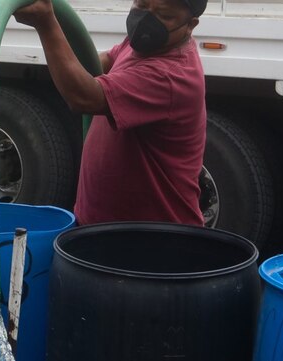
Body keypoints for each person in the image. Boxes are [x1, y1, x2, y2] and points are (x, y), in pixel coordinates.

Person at [13, 0, 207, 226]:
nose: (146, 19)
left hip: (153, 239)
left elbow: (84, 97)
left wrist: (46, 24)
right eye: (141, 5)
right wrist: (53, 17)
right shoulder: (143, 46)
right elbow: (92, 65)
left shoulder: (172, 75)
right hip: (107, 229)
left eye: (164, 14)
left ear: (190, 25)